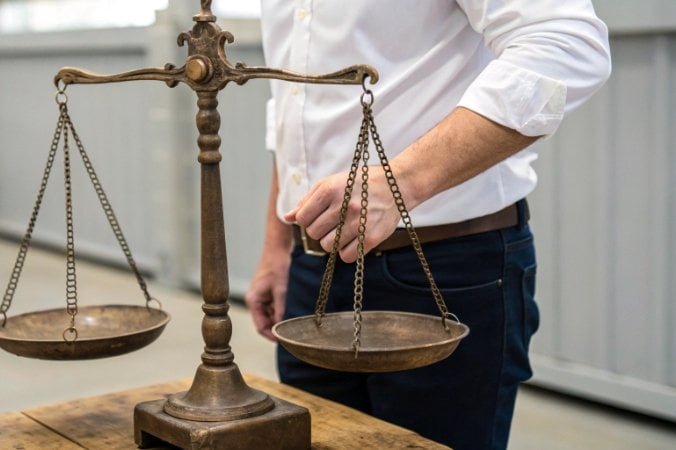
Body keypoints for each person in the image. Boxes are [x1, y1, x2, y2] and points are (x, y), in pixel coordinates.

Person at [246, 1, 611, 448]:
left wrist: (397, 183)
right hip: (311, 269)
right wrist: (276, 246)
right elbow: (293, 106)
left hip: (444, 268)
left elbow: (567, 43)